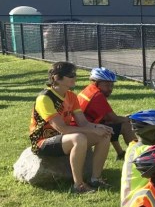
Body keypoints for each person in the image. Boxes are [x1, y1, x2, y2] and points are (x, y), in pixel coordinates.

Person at [29, 61, 112, 194]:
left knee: (104, 134)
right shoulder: (45, 98)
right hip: (42, 142)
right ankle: (78, 185)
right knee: (78, 138)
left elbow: (83, 123)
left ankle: (95, 179)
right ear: (57, 78)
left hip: (63, 138)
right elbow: (63, 128)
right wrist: (92, 129)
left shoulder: (71, 96)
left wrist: (99, 127)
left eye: (74, 74)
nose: (75, 77)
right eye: (71, 75)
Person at [77, 68, 136, 160]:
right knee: (126, 126)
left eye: (112, 85)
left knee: (109, 123)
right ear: (96, 82)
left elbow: (108, 118)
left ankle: (120, 153)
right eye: (106, 85)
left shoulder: (89, 90)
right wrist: (130, 119)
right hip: (83, 130)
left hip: (82, 126)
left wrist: (123, 118)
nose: (110, 89)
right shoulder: (97, 96)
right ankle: (137, 155)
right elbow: (114, 119)